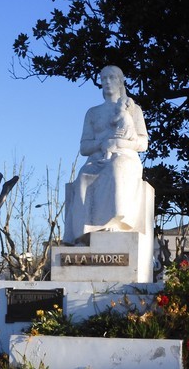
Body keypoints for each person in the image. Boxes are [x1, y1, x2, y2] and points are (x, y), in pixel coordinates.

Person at [63, 65, 150, 245]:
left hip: (125, 155)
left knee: (117, 169)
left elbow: (142, 143)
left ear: (120, 81)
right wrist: (102, 144)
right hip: (97, 157)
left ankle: (114, 222)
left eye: (112, 78)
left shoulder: (134, 110)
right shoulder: (93, 113)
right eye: (103, 79)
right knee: (83, 178)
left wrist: (119, 143)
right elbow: (84, 147)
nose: (107, 82)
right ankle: (84, 234)